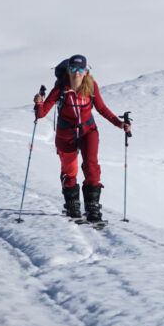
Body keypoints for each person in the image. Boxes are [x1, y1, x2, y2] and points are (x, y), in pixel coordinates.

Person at [34, 54, 131, 223]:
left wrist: (119, 123)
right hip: (66, 134)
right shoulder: (61, 87)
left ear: (86, 71)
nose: (76, 73)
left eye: (80, 69)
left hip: (88, 131)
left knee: (91, 166)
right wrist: (39, 103)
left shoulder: (91, 86)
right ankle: (72, 205)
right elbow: (41, 114)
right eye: (73, 68)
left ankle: (92, 207)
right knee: (70, 171)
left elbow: (101, 108)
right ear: (68, 69)